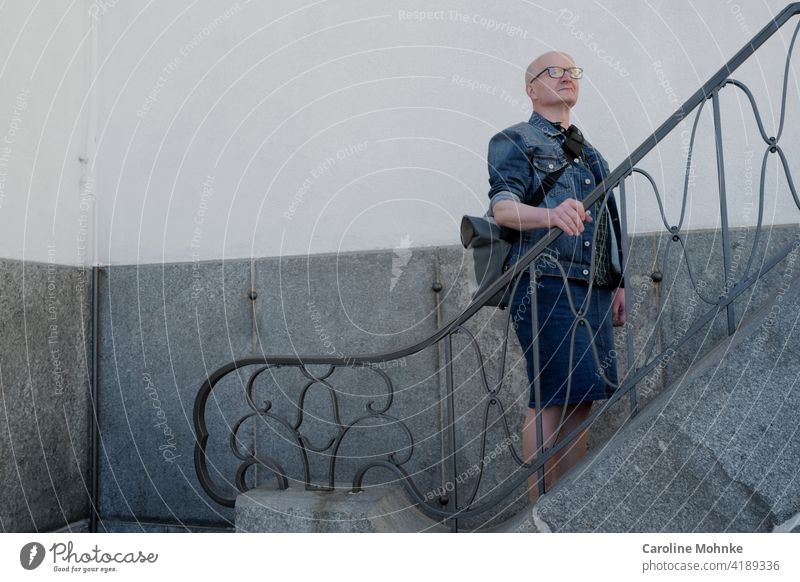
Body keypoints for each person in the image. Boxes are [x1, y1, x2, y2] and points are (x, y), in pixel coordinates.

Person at [488, 50, 626, 501]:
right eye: (554, 71)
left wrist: (618, 280)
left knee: (581, 396)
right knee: (550, 396)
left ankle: (569, 505)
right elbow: (502, 208)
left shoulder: (593, 155)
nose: (567, 76)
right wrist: (550, 216)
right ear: (531, 88)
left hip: (595, 287)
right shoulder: (514, 140)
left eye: (573, 71)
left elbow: (607, 219)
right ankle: (539, 511)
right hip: (545, 283)